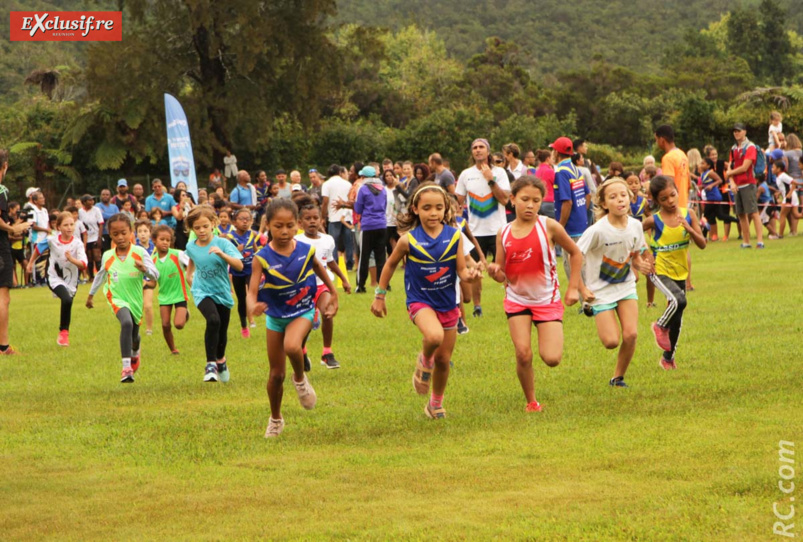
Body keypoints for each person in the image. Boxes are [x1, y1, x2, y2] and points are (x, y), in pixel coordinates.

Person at [372, 183, 480, 420]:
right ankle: (424, 358)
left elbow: (461, 270)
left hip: (448, 305)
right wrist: (379, 296)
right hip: (420, 302)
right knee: (433, 337)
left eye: (439, 208)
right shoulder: (408, 240)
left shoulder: (455, 236)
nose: (433, 213)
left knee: (444, 360)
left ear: (446, 210)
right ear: (415, 209)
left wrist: (469, 276)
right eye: (427, 207)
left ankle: (435, 404)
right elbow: (389, 265)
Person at [486, 176, 582, 410]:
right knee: (523, 353)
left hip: (546, 300)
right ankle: (531, 402)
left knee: (551, 358)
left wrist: (573, 288)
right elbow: (502, 273)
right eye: (525, 199)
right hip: (517, 300)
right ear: (512, 199)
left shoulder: (549, 226)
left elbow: (576, 253)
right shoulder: (504, 232)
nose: (530, 205)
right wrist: (494, 271)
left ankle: (551, 334)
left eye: (536, 201)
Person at [247, 198, 339, 438]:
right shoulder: (262, 257)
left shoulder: (305, 249)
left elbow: (320, 268)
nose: (285, 231)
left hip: (303, 310)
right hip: (276, 317)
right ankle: (275, 419)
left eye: (289, 226)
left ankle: (300, 379)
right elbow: (252, 291)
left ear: (296, 225)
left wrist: (334, 293)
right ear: (268, 225)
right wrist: (252, 306)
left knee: (292, 345)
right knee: (276, 375)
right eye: (279, 226)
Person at [576, 178, 653, 388]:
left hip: (625, 286)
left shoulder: (636, 226)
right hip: (599, 291)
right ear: (603, 203)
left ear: (630, 197)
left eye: (623, 195)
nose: (620, 200)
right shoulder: (597, 231)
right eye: (613, 197)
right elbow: (575, 254)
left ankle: (617, 378)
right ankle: (590, 307)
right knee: (611, 342)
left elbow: (635, 255)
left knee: (631, 334)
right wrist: (581, 288)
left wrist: (640, 265)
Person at [642, 176, 706, 370]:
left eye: (672, 195)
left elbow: (702, 244)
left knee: (677, 319)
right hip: (659, 270)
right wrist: (645, 253)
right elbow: (634, 231)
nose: (670, 201)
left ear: (678, 191)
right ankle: (659, 326)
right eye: (664, 199)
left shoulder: (689, 215)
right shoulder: (654, 220)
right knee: (679, 301)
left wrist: (690, 230)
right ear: (656, 201)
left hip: (680, 273)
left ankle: (668, 358)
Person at [86, 214, 159, 382]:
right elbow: (100, 276)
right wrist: (90, 296)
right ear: (110, 235)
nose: (120, 237)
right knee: (126, 322)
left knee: (134, 335)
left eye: (124, 233)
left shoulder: (139, 252)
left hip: (135, 299)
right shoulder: (108, 256)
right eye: (115, 234)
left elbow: (156, 274)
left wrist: (144, 269)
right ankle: (126, 368)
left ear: (131, 232)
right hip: (116, 297)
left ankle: (135, 353)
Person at [185, 206, 244, 383]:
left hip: (222, 292)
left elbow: (239, 266)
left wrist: (222, 254)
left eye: (204, 226)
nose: (201, 231)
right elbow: (192, 262)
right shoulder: (191, 246)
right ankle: (210, 365)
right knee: (213, 320)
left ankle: (221, 360)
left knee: (222, 330)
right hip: (202, 291)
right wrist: (190, 277)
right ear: (192, 229)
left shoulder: (223, 243)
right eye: (197, 228)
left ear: (213, 224)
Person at [294, 195, 352, 370]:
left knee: (327, 312)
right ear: (299, 222)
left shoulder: (328, 240)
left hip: (323, 284)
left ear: (321, 220)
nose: (312, 222)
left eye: (315, 218)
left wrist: (343, 279)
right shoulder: (297, 242)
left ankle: (327, 352)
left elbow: (330, 261)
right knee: (306, 322)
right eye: (307, 219)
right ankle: (302, 350)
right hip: (303, 287)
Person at [455, 138, 511, 318]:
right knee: (476, 271)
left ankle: (511, 301)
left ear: (488, 152)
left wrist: (490, 180)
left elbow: (504, 200)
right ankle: (477, 306)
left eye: (481, 147)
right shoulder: (465, 174)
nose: (478, 150)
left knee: (504, 271)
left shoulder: (500, 173)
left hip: (498, 231)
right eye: (474, 148)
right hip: (475, 232)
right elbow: (458, 202)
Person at [27, 212, 87, 346]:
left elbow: (84, 264)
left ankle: (64, 331)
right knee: (65, 299)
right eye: (65, 225)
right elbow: (38, 249)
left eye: (72, 224)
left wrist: (72, 259)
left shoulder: (78, 243)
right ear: (58, 227)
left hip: (71, 279)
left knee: (68, 301)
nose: (69, 228)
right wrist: (31, 263)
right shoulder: (51, 240)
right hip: (54, 276)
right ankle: (64, 333)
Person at [0, 150, 32, 354]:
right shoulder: (1, 189)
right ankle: (3, 347)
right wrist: (14, 229)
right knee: (3, 296)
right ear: (5, 166)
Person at [551, 137, 589, 276]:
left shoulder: (561, 172)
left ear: (556, 152)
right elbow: (588, 194)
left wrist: (559, 227)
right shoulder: (576, 169)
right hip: (581, 224)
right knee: (583, 266)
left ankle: (585, 297)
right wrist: (581, 213)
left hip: (570, 230)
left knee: (574, 270)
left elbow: (567, 202)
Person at [151, 225, 190, 355]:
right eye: (162, 239)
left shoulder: (178, 254)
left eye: (168, 240)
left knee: (179, 324)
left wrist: (190, 276)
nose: (165, 243)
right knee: (165, 325)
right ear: (154, 240)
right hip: (164, 296)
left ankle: (185, 313)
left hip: (180, 294)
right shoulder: (153, 260)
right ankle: (173, 349)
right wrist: (144, 283)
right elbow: (152, 283)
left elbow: (192, 264)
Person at [725, 123, 764, 249]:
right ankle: (746, 241)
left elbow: (745, 167)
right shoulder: (733, 148)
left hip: (748, 183)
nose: (736, 133)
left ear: (745, 132)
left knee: (753, 212)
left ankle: (760, 241)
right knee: (741, 214)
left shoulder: (750, 147)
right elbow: (730, 166)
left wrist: (730, 173)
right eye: (734, 131)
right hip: (737, 185)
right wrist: (732, 182)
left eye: (739, 131)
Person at [227, 208, 261, 338]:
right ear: (235, 222)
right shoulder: (230, 237)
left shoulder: (252, 234)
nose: (245, 222)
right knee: (241, 299)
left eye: (248, 219)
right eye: (242, 219)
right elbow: (227, 254)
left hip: (251, 269)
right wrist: (236, 250)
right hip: (237, 271)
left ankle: (254, 314)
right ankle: (244, 326)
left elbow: (256, 250)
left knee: (252, 292)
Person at [353, 166, 387, 293]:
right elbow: (384, 205)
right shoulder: (383, 189)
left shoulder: (363, 189)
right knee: (381, 257)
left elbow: (358, 209)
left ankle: (361, 286)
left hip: (368, 226)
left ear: (364, 177)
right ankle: (384, 284)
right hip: (382, 225)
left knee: (364, 257)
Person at [321, 164, 355, 271]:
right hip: (347, 216)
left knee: (333, 242)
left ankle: (334, 264)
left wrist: (323, 216)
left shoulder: (326, 184)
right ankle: (349, 264)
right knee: (348, 242)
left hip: (333, 216)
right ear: (340, 173)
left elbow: (325, 201)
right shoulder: (347, 183)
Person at [654, 125, 690, 208]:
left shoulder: (668, 158)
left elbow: (668, 184)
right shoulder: (682, 154)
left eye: (656, 140)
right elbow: (689, 183)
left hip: (673, 206)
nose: (657, 143)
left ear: (662, 140)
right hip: (683, 204)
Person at [134, 219, 156, 335]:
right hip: (135, 280)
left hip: (148, 281)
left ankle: (149, 329)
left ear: (150, 233)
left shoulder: (155, 248)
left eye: (145, 231)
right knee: (135, 306)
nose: (142, 233)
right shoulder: (134, 248)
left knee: (147, 305)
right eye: (140, 231)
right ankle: (134, 327)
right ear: (136, 233)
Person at [698, 158, 725, 241]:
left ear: (708, 165)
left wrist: (712, 185)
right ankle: (706, 236)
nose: (701, 165)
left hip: (714, 198)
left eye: (703, 163)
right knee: (716, 217)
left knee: (705, 216)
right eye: (701, 163)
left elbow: (720, 180)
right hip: (709, 198)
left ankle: (703, 236)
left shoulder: (710, 173)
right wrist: (703, 186)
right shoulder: (703, 174)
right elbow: (706, 184)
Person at [532, 149, 556, 218]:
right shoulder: (550, 171)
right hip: (550, 201)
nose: (553, 160)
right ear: (548, 159)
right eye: (552, 158)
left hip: (541, 201)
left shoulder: (537, 170)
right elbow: (556, 185)